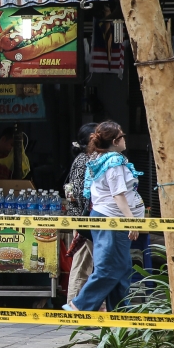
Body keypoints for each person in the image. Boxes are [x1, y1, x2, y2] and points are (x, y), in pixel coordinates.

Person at [65, 121, 144, 312]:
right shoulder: (113, 163)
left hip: (108, 218)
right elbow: (118, 194)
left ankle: (119, 313)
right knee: (109, 267)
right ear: (116, 141)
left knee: (122, 268)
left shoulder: (101, 159)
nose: (125, 139)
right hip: (113, 219)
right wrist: (131, 220)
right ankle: (80, 304)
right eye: (122, 136)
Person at [64, 123, 97, 302]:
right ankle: (74, 304)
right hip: (84, 220)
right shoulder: (84, 160)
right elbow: (79, 192)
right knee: (83, 263)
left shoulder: (91, 159)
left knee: (87, 263)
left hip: (87, 219)